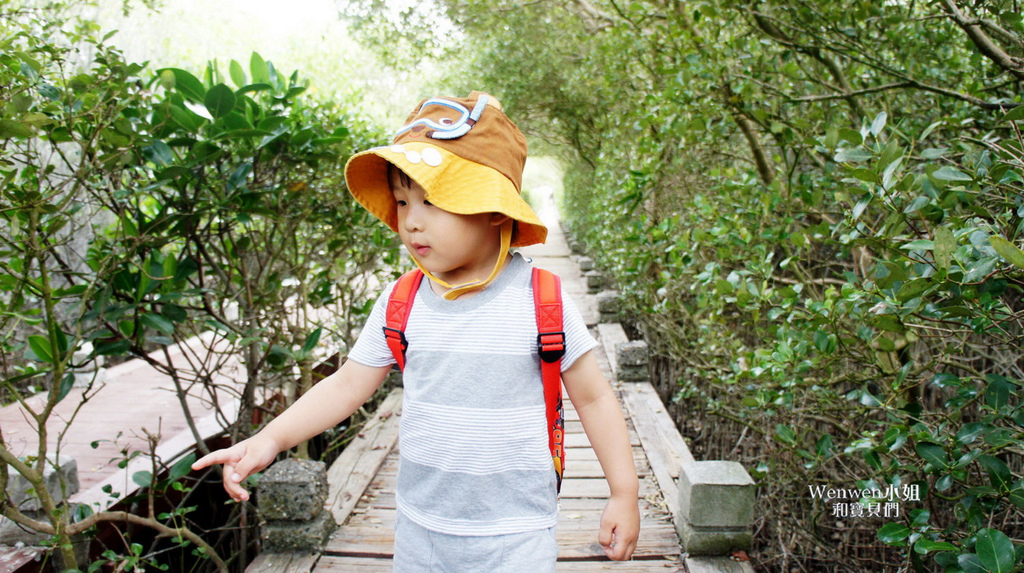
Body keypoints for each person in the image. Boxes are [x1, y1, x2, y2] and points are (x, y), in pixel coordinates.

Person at [192, 91, 641, 570]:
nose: (410, 221)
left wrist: (624, 492)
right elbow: (347, 386)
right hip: (420, 531)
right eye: (403, 200)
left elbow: (593, 398)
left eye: (432, 200)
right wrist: (269, 440)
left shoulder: (542, 301)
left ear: (493, 207)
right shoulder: (402, 302)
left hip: (517, 535)